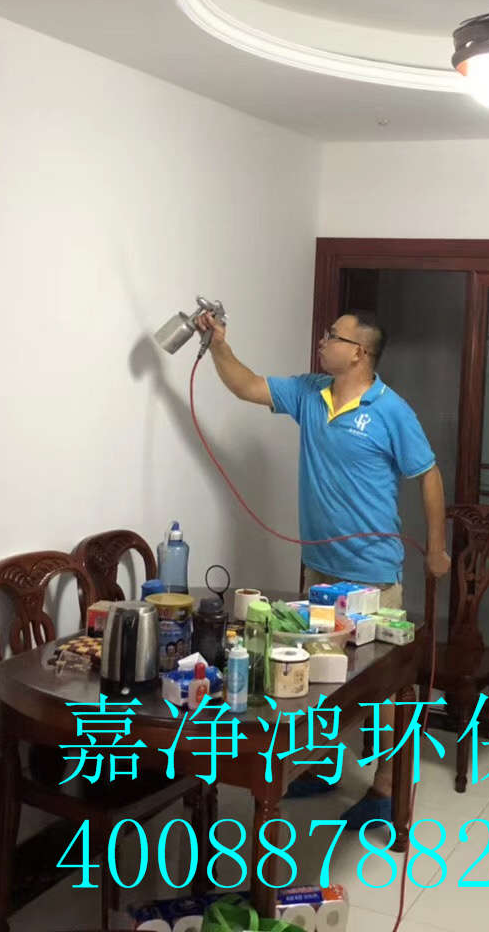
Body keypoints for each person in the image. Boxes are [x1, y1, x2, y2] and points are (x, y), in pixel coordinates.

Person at [194, 309, 450, 828]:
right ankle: (324, 766)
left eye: (334, 336)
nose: (323, 341)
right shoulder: (310, 393)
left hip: (373, 572)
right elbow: (246, 384)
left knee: (381, 688)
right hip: (319, 569)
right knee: (317, 678)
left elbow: (428, 475)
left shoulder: (390, 410)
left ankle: (387, 787)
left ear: (359, 352)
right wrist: (218, 342)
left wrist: (437, 548)